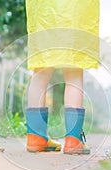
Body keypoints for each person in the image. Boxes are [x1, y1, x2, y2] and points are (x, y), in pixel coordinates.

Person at [25, 0, 100, 155]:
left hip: (43, 10)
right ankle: (73, 140)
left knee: (41, 68)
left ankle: (36, 137)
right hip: (76, 10)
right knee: (73, 69)